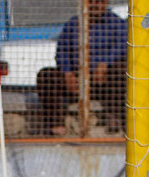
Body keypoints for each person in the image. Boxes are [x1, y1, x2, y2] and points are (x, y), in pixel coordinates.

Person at [35, 0, 127, 135]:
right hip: (76, 81)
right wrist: (67, 72)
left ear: (106, 3)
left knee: (120, 71)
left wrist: (105, 64)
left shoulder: (117, 24)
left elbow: (122, 46)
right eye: (91, 1)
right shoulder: (73, 24)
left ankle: (114, 117)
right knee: (46, 75)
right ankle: (56, 123)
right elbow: (62, 51)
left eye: (100, 1)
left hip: (104, 81)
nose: (95, 5)